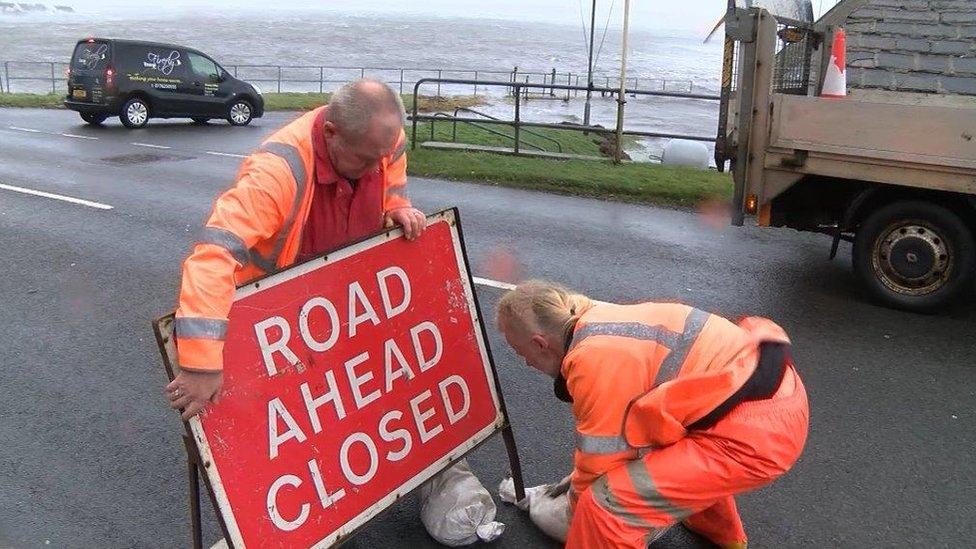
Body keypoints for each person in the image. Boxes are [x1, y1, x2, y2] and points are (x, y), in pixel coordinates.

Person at [166, 79, 426, 420]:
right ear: (331, 133)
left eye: (382, 155)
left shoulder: (380, 141)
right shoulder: (277, 172)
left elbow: (391, 162)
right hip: (275, 322)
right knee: (276, 420)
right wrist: (202, 365)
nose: (375, 167)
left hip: (341, 307)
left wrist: (395, 203)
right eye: (365, 160)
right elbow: (212, 257)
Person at [496, 280, 809, 548]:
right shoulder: (595, 318)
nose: (525, 364)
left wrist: (571, 515)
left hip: (754, 434)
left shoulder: (591, 361)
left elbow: (600, 467)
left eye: (521, 353)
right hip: (770, 400)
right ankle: (728, 539)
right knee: (664, 450)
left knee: (604, 507)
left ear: (540, 344)